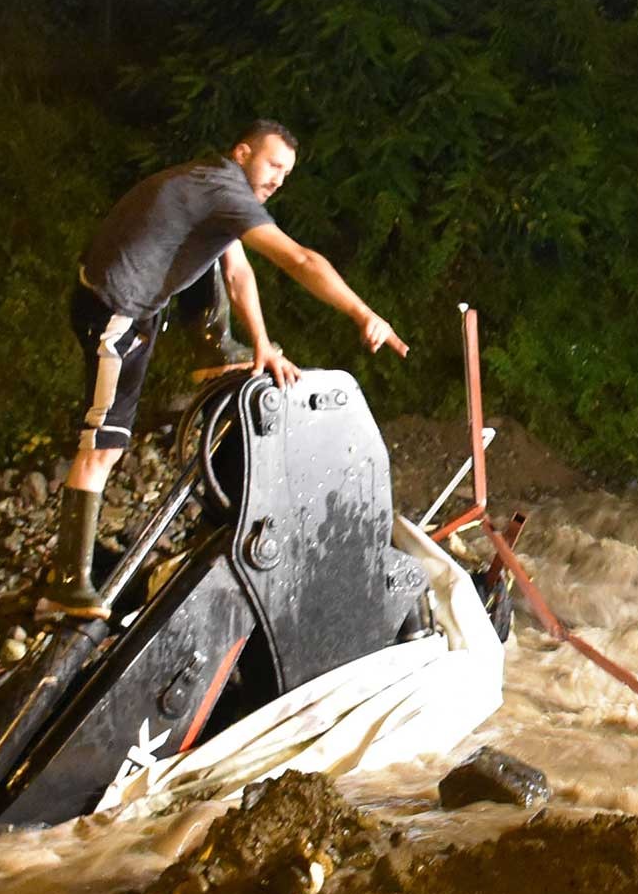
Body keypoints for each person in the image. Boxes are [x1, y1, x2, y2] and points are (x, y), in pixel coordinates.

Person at [42, 121, 407, 618]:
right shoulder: (223, 191)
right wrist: (364, 314)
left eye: (287, 172)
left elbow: (237, 273)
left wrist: (260, 344)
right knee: (103, 447)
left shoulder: (212, 186)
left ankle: (216, 348)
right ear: (242, 153)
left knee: (215, 254)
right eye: (273, 165)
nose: (280, 180)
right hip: (114, 312)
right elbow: (299, 260)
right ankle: (66, 583)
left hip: (136, 303)